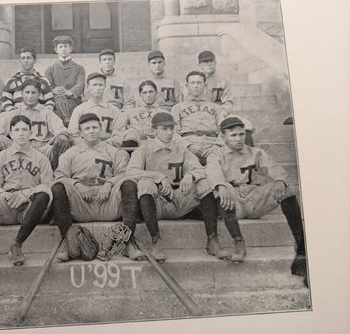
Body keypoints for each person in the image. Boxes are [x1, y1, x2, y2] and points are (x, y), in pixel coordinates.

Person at [126, 112, 243, 262]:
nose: (169, 133)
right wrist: (158, 177)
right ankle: (156, 240)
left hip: (178, 199)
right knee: (145, 184)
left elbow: (201, 169)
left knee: (204, 183)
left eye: (171, 129)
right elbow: (130, 172)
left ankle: (212, 240)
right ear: (154, 130)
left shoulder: (180, 148)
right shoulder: (144, 149)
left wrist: (190, 176)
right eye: (164, 129)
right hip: (156, 204)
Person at [206, 117, 307, 276]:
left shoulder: (256, 153)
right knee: (221, 190)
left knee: (288, 188)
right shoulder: (216, 155)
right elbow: (213, 175)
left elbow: (275, 169)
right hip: (234, 203)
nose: (238, 139)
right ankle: (239, 241)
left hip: (255, 199)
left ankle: (301, 246)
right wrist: (221, 186)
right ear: (222, 136)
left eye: (241, 134)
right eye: (233, 135)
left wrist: (279, 181)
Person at [0, 115, 59, 266]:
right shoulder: (0, 157)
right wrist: (5, 195)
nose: (21, 133)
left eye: (25, 129)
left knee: (44, 191)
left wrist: (26, 194)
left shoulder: (41, 158)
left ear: (31, 133)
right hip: (6, 206)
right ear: (10, 133)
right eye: (17, 130)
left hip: (30, 209)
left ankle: (17, 244)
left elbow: (48, 187)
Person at [50, 113, 139, 261]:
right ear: (80, 132)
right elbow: (59, 176)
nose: (91, 131)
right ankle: (68, 241)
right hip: (81, 203)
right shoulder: (70, 153)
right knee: (58, 187)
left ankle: (128, 241)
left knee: (129, 184)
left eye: (94, 127)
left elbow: (124, 173)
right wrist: (77, 185)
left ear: (101, 129)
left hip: (107, 201)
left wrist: (109, 184)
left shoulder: (114, 151)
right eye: (87, 128)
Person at [0, 78, 71, 172]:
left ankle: (56, 177)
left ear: (39, 94)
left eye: (33, 93)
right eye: (27, 92)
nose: (30, 96)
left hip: (41, 150)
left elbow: (60, 128)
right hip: (18, 148)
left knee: (60, 142)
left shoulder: (46, 112)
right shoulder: (15, 112)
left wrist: (62, 134)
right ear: (22, 94)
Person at [197, 50, 254, 146]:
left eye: (211, 61)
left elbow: (228, 102)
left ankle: (250, 157)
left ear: (215, 62)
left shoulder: (223, 81)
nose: (209, 64)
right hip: (200, 115)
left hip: (220, 115)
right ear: (199, 65)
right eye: (206, 61)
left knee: (245, 127)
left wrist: (221, 115)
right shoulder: (194, 81)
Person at [171, 70, 224, 165]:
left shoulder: (216, 107)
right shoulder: (177, 108)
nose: (196, 86)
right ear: (187, 86)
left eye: (199, 82)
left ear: (205, 85)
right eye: (192, 83)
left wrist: (216, 146)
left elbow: (224, 131)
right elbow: (173, 133)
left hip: (212, 145)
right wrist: (189, 146)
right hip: (188, 146)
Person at [68, 72, 135, 147]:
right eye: (94, 85)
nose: (98, 88)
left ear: (105, 87)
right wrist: (87, 146)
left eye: (101, 85)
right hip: (84, 150)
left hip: (108, 150)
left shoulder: (114, 111)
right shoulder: (79, 110)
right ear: (88, 87)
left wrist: (102, 146)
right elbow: (73, 135)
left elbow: (119, 135)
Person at [44, 36, 85, 125]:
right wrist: (54, 90)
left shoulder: (79, 68)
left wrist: (69, 92)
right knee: (58, 100)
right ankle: (68, 121)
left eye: (66, 46)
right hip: (56, 98)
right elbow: (47, 86)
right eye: (60, 47)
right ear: (56, 49)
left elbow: (81, 85)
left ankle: (66, 120)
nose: (63, 49)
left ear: (71, 48)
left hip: (72, 99)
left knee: (68, 105)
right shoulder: (50, 69)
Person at [1, 46, 55, 112]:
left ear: (35, 60)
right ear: (20, 60)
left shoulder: (43, 80)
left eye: (28, 58)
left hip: (39, 115)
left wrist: (45, 113)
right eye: (23, 58)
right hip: (17, 114)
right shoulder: (12, 81)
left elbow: (50, 100)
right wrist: (13, 112)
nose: (26, 61)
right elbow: (5, 100)